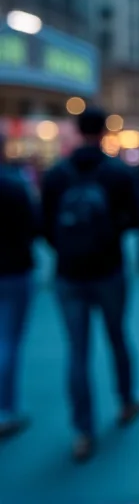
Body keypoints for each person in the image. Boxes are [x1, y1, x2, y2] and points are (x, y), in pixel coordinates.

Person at [41, 106, 139, 462]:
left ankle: (83, 431)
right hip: (109, 270)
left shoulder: (56, 174)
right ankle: (127, 401)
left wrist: (66, 247)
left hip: (68, 273)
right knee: (117, 337)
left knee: (77, 351)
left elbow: (43, 225)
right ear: (104, 132)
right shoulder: (117, 173)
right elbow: (136, 218)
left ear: (76, 130)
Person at [0, 135, 39, 439]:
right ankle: (6, 410)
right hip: (13, 269)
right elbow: (32, 225)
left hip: (14, 268)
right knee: (9, 341)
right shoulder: (15, 185)